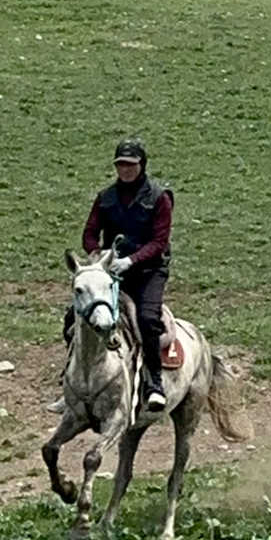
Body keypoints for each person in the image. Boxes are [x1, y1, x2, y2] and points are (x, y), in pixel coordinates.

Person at [80, 138, 173, 411]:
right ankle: (74, 381)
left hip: (148, 271)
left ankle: (154, 382)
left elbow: (159, 242)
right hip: (113, 271)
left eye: (131, 164)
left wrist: (131, 260)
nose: (125, 169)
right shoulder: (105, 197)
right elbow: (89, 233)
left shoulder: (159, 197)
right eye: (121, 164)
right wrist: (98, 254)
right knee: (76, 316)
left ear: (141, 165)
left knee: (146, 318)